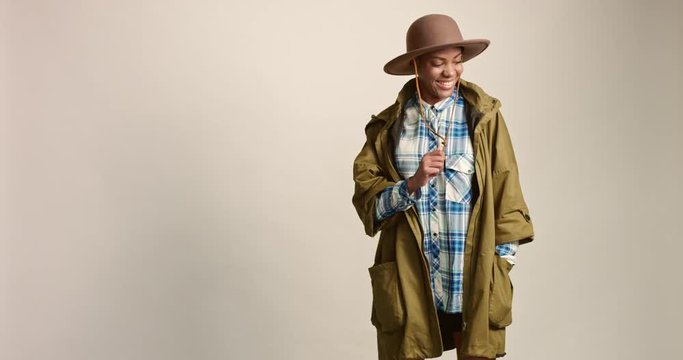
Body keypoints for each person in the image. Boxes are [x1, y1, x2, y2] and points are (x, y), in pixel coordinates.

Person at [352, 14, 535, 360]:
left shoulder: (484, 118)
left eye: (457, 61)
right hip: (412, 275)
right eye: (438, 63)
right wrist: (411, 184)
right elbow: (368, 203)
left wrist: (501, 262)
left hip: (469, 275)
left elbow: (506, 188)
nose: (450, 72)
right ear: (417, 66)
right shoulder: (388, 126)